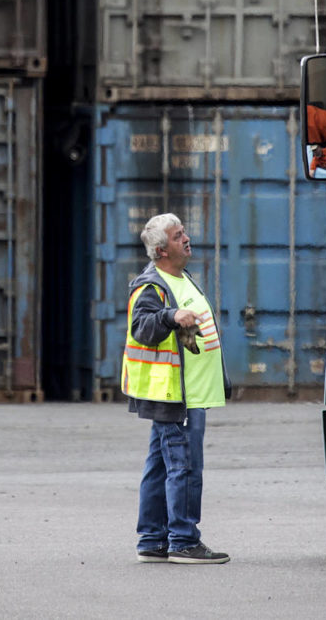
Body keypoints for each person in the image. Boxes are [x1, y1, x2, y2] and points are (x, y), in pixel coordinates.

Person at [122, 213, 232, 564]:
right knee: (183, 467)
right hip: (176, 396)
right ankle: (184, 540)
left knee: (159, 467)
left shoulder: (182, 278)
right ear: (161, 249)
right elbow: (143, 327)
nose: (186, 238)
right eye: (177, 235)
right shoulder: (152, 286)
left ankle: (153, 540)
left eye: (184, 231)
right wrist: (171, 316)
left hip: (191, 393)